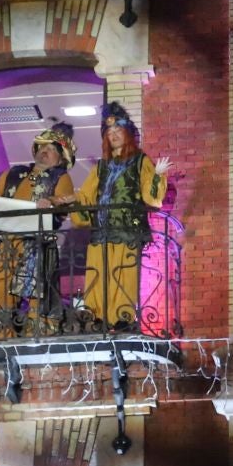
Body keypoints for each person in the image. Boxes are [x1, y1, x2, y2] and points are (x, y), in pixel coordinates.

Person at [71, 102, 171, 331]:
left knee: (123, 274)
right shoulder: (101, 167)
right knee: (99, 273)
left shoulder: (140, 161)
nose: (114, 135)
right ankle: (96, 317)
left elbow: (151, 198)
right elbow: (86, 196)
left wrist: (157, 175)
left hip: (127, 229)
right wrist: (73, 202)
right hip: (101, 231)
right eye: (109, 133)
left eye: (118, 131)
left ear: (127, 134)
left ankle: (123, 317)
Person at [0, 121, 79, 335]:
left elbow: (65, 201)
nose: (45, 152)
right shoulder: (13, 173)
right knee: (2, 291)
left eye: (52, 150)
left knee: (38, 291)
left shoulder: (61, 177)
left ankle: (37, 338)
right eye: (43, 147)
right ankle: (3, 336)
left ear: (60, 158)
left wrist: (52, 201)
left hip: (38, 244)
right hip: (6, 242)